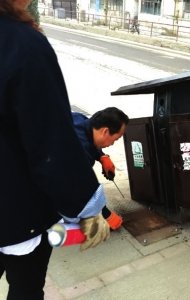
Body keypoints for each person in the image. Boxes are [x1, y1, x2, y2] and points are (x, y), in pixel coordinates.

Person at [0, 1, 110, 299]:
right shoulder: (22, 44)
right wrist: (90, 210)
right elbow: (50, 145)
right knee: (26, 289)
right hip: (16, 213)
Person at [72, 107, 129, 230]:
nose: (112, 143)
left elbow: (89, 138)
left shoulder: (80, 119)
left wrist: (101, 156)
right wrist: (106, 215)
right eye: (115, 139)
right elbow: (84, 187)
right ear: (105, 131)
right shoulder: (80, 152)